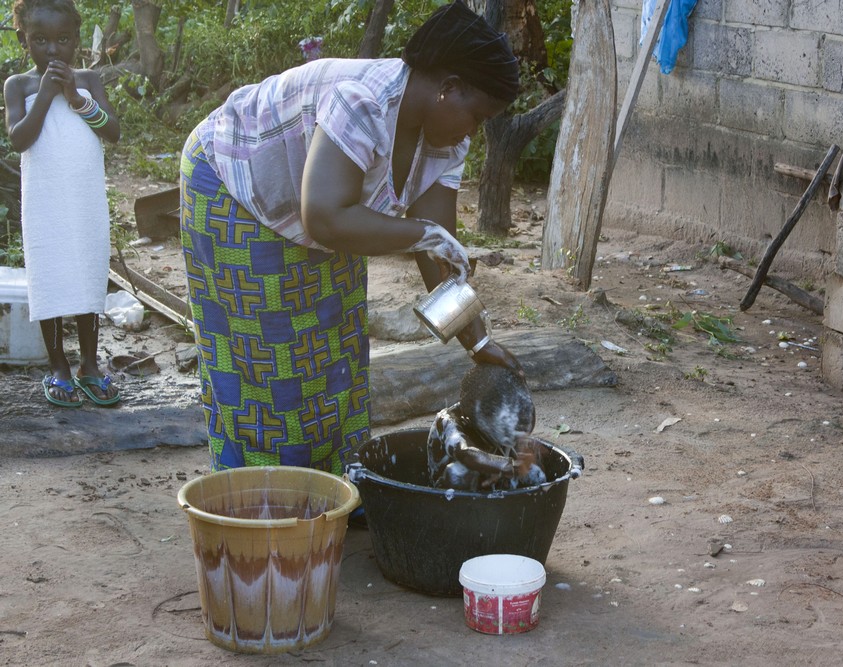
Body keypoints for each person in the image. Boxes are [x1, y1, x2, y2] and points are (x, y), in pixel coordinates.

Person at [180, 0, 523, 475]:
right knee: (272, 364)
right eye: (478, 117)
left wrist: (479, 343)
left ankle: (337, 489)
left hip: (326, 212)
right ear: (448, 88)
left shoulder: (447, 140)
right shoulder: (363, 101)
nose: (476, 131)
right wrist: (426, 235)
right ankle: (268, 503)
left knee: (336, 354)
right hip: (235, 185)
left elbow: (435, 252)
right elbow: (324, 217)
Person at [4, 0, 121, 408]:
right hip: (45, 203)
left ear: (76, 39)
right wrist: (46, 94)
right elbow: (20, 139)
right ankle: (59, 367)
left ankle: (89, 364)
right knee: (50, 277)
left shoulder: (88, 79)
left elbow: (113, 131)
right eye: (40, 40)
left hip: (84, 199)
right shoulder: (18, 85)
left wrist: (74, 96)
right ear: (23, 40)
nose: (53, 50)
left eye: (63, 39)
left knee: (88, 274)